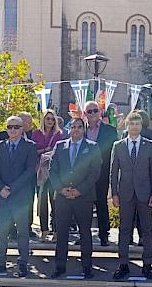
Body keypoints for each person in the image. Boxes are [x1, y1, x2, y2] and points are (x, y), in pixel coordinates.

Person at [49, 118, 102, 279]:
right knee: (62, 233)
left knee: (85, 234)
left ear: (84, 129)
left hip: (83, 197)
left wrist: (79, 190)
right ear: (69, 129)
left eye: (79, 127)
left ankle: (87, 267)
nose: (76, 130)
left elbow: (95, 172)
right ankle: (60, 267)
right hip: (63, 197)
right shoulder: (60, 146)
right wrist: (61, 189)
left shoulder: (92, 147)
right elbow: (52, 170)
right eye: (73, 127)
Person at [110, 111, 152, 280]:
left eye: (137, 124)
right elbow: (113, 172)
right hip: (125, 194)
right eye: (131, 124)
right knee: (124, 229)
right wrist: (114, 194)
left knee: (147, 229)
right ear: (127, 126)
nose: (134, 127)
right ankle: (123, 264)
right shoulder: (118, 145)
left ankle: (147, 264)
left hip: (145, 194)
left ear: (141, 126)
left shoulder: (150, 145)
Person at [0, 116, 38, 277]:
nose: (12, 130)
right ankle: (0, 262)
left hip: (21, 197)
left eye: (16, 127)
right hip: (2, 197)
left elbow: (30, 171)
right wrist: (1, 187)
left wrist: (12, 188)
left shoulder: (30, 146)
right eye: (9, 127)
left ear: (22, 128)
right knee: (2, 232)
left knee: (22, 232)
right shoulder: (0, 146)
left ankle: (23, 262)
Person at [81, 101, 117, 246]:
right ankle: (83, 235)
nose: (93, 114)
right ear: (84, 114)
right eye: (89, 111)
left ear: (100, 112)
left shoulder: (110, 130)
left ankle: (104, 234)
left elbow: (113, 154)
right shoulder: (79, 129)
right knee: (83, 205)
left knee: (101, 203)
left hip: (102, 172)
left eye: (95, 111)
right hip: (83, 174)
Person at [32, 109, 63, 240]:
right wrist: (45, 150)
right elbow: (32, 150)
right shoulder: (36, 134)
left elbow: (61, 151)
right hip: (40, 171)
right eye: (47, 119)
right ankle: (44, 230)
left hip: (54, 171)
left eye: (52, 119)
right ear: (43, 120)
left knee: (55, 202)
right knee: (41, 201)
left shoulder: (59, 134)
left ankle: (56, 231)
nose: (50, 121)